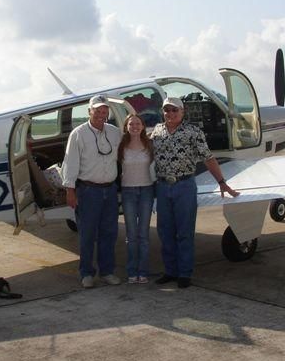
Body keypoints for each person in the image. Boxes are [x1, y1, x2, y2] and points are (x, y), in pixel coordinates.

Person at [151, 96, 239, 288]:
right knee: (165, 231)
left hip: (184, 186)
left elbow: (208, 158)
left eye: (175, 110)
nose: (170, 113)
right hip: (163, 186)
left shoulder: (193, 132)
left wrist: (222, 182)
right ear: (163, 112)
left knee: (184, 232)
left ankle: (184, 273)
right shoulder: (156, 131)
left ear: (182, 112)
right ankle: (170, 271)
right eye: (167, 110)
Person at [61, 94, 122, 289]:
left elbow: (126, 152)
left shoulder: (114, 132)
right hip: (88, 191)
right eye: (97, 110)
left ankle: (107, 271)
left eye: (104, 110)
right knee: (87, 234)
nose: (101, 114)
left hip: (110, 190)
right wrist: (70, 190)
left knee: (109, 233)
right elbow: (70, 163)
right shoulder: (78, 134)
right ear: (90, 111)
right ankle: (86, 273)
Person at [118, 114, 155, 284]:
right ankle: (132, 271)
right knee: (132, 235)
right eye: (131, 124)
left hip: (146, 189)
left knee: (144, 235)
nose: (134, 126)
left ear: (142, 126)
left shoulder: (149, 144)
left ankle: (143, 271)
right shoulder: (121, 145)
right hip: (128, 191)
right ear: (126, 126)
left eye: (137, 123)